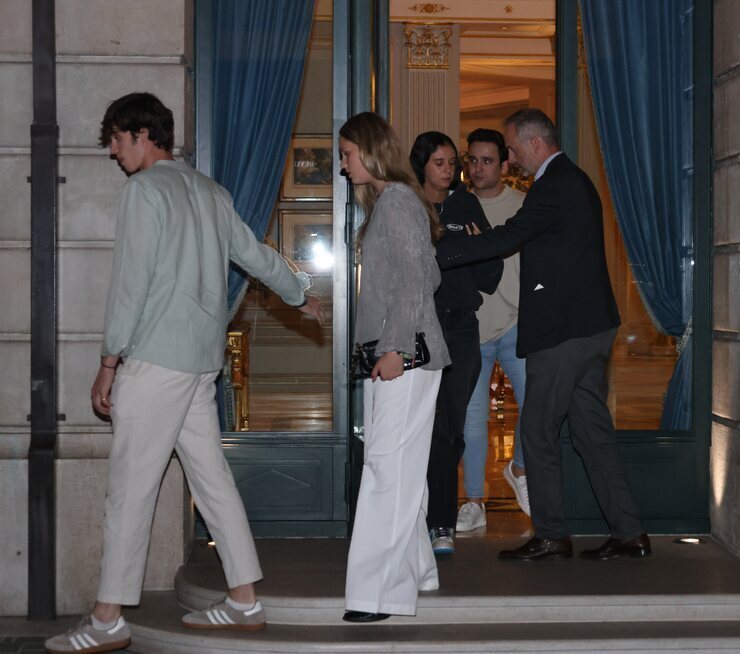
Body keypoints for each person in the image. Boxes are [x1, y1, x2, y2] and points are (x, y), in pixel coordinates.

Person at [45, 92, 323, 654]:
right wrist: (299, 295)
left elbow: (131, 284)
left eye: (118, 141)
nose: (114, 153)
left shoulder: (145, 191)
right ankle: (244, 600)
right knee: (212, 480)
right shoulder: (210, 191)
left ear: (143, 135)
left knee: (129, 490)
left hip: (156, 361)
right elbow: (255, 252)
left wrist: (108, 362)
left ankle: (107, 619)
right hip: (200, 362)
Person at [438, 109, 650, 562]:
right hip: (589, 328)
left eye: (511, 149)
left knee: (537, 430)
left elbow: (508, 237)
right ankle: (630, 533)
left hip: (563, 332)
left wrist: (441, 252)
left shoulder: (552, 186)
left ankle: (552, 534)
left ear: (535, 144)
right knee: (592, 432)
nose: (510, 158)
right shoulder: (573, 180)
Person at [340, 113, 450, 623]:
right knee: (399, 468)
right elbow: (424, 270)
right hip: (399, 357)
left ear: (369, 150)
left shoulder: (399, 202)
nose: (343, 166)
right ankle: (419, 570)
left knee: (387, 469)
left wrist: (397, 349)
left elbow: (415, 281)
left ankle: (379, 594)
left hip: (404, 357)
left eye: (346, 154)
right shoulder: (393, 203)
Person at [409, 132, 502, 554]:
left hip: (462, 329)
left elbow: (490, 274)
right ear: (422, 165)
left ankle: (441, 523)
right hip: (418, 327)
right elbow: (415, 267)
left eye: (452, 163)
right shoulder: (406, 204)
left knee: (450, 427)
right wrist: (457, 247)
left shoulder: (465, 204)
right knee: (420, 427)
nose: (448, 171)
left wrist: (453, 249)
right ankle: (422, 514)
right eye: (439, 163)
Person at [456, 128, 530, 533]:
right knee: (472, 419)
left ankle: (518, 470)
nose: (477, 168)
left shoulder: (524, 205)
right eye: (473, 160)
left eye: (487, 161)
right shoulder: (457, 207)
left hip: (518, 323)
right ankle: (473, 500)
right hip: (472, 327)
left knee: (535, 401)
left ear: (504, 164)